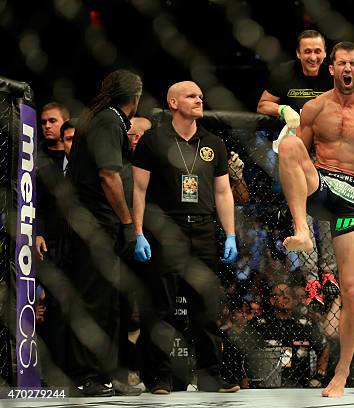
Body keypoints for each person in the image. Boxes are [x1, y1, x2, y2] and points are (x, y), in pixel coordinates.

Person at [277, 41, 354, 397]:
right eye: (341, 62)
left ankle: (341, 373)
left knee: (353, 290)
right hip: (321, 186)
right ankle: (302, 229)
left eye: (353, 64)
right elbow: (297, 155)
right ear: (332, 69)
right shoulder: (314, 108)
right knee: (287, 145)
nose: (347, 68)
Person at [131, 80, 239, 394]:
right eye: (191, 96)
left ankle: (210, 376)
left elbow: (223, 192)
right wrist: (137, 232)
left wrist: (230, 233)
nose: (199, 100)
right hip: (166, 228)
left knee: (206, 306)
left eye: (201, 96)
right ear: (173, 102)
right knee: (161, 307)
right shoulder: (153, 140)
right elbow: (138, 189)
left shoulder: (213, 143)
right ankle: (160, 377)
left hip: (204, 229)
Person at [65, 69, 143, 397]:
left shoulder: (101, 116)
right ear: (135, 98)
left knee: (109, 301)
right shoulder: (109, 121)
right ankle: (87, 376)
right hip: (96, 221)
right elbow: (109, 175)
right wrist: (127, 223)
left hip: (96, 220)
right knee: (95, 300)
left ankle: (104, 374)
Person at [257, 29, 339, 306]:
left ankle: (329, 274)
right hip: (298, 151)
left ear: (325, 53)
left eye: (318, 51)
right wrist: (282, 110)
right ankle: (311, 279)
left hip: (329, 150)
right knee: (304, 214)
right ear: (298, 53)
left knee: (328, 210)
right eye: (308, 51)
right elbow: (263, 104)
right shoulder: (284, 73)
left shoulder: (334, 72)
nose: (313, 56)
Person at [35, 103, 71, 387]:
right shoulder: (37, 158)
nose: (47, 126)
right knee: (51, 306)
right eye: (43, 122)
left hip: (77, 242)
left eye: (52, 121)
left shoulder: (79, 157)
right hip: (49, 241)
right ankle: (50, 372)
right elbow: (30, 201)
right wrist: (36, 231)